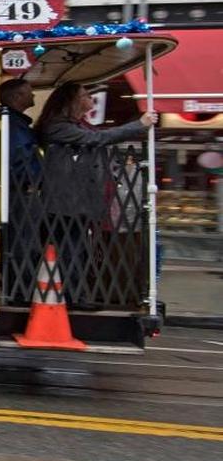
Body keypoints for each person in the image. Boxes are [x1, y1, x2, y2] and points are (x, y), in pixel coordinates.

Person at [35, 82, 157, 310]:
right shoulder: (58, 126)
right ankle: (74, 298)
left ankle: (77, 295)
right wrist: (138, 125)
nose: (89, 98)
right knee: (72, 249)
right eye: (84, 94)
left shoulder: (76, 125)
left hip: (79, 202)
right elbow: (96, 139)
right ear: (72, 101)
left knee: (78, 249)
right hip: (66, 204)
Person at [0, 78, 42, 306]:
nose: (34, 96)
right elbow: (17, 158)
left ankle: (21, 289)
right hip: (20, 191)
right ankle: (20, 292)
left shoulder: (17, 123)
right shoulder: (13, 125)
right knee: (22, 242)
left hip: (22, 189)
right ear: (17, 98)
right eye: (29, 92)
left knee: (25, 242)